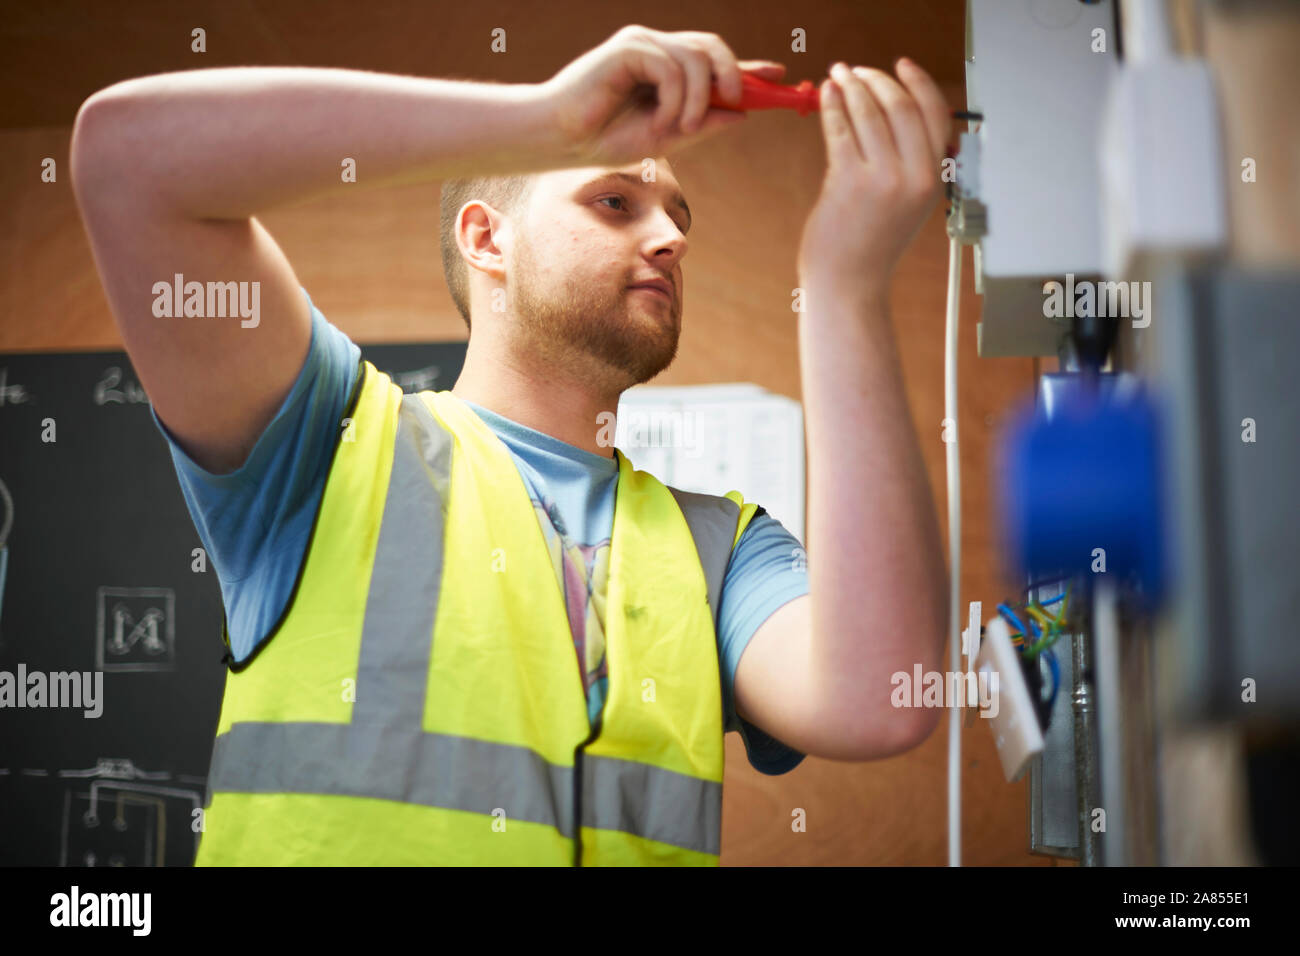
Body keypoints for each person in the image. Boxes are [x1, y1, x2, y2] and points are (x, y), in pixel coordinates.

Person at [69, 25, 950, 865]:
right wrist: (549, 120)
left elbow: (881, 700)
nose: (673, 237)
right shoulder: (330, 444)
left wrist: (844, 286)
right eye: (614, 199)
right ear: (487, 238)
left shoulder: (722, 550)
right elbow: (126, 157)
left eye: (679, 215)